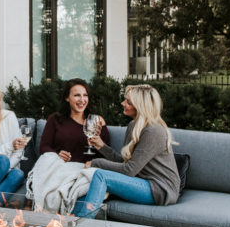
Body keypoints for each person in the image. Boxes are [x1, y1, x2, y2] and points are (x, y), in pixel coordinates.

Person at [72, 84, 180, 218]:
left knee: (101, 176)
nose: (123, 103)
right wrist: (101, 146)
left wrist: (96, 163)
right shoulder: (133, 126)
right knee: (88, 183)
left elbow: (129, 170)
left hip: (160, 189)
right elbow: (125, 163)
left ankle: (83, 223)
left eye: (128, 102)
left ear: (140, 106)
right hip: (142, 181)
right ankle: (71, 218)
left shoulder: (153, 131)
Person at [37, 78, 110, 164]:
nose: (82, 100)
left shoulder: (97, 121)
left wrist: (98, 145)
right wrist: (56, 155)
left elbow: (106, 156)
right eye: (77, 95)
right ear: (67, 98)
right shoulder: (55, 119)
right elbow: (44, 147)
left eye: (85, 95)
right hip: (59, 165)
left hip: (87, 169)